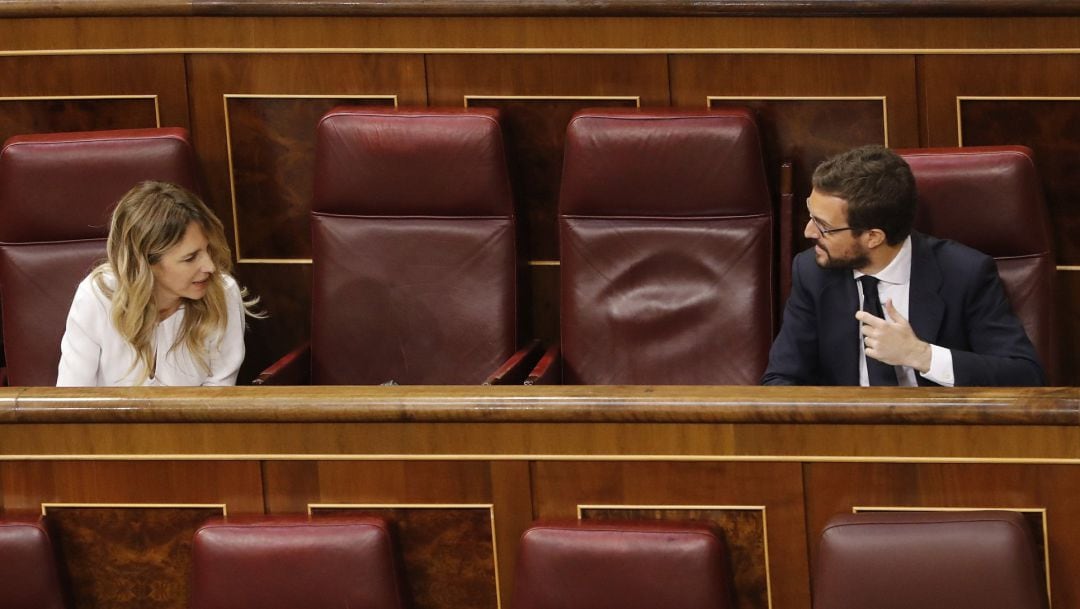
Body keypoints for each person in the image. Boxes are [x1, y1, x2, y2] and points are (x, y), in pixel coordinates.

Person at [762, 145, 1044, 387]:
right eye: (811, 214)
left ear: (873, 237)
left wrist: (921, 355)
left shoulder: (964, 273)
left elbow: (1025, 374)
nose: (808, 232)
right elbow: (781, 379)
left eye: (824, 227)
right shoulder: (812, 272)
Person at [57, 181, 262, 386]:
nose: (210, 267)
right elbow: (71, 402)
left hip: (194, 419)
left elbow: (216, 402)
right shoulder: (96, 296)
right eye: (190, 258)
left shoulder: (223, 293)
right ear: (145, 263)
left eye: (207, 250)